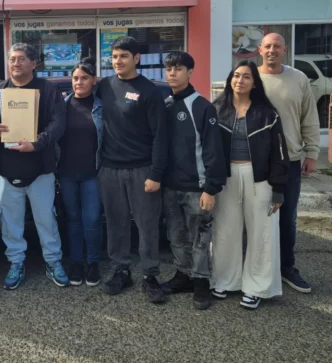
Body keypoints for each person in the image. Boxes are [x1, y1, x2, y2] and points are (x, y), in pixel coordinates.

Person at [0, 43, 68, 290]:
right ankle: (16, 263)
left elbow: (59, 123)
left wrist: (37, 143)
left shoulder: (47, 90)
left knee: (46, 220)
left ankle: (53, 261)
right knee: (10, 222)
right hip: (7, 170)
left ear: (33, 63)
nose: (15, 64)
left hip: (40, 168)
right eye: (12, 59)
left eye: (20, 59)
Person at [211, 61, 290, 310]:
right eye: (236, 75)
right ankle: (224, 280)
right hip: (227, 178)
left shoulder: (268, 113)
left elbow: (280, 153)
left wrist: (278, 188)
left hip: (260, 180)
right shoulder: (217, 109)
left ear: (254, 82)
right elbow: (209, 149)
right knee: (224, 231)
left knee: (262, 234)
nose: (240, 81)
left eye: (246, 77)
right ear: (230, 79)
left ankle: (256, 287)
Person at [96, 36, 169, 304]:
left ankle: (150, 275)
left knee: (147, 224)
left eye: (124, 56)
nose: (118, 61)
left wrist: (156, 173)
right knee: (115, 223)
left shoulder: (149, 91)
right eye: (114, 57)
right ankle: (121, 269)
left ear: (136, 58)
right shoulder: (104, 86)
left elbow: (161, 136)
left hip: (142, 169)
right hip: (109, 169)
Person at [159, 51, 227, 310]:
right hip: (170, 187)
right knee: (176, 236)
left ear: (190, 72)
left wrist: (211, 188)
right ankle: (183, 275)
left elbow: (213, 151)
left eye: (177, 69)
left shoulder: (202, 106)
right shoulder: (165, 104)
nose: (172, 74)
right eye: (168, 69)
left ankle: (201, 282)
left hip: (197, 188)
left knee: (199, 239)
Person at [258, 33, 320, 294]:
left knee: (286, 218)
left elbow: (309, 116)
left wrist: (312, 152)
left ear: (285, 49)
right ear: (259, 50)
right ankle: (257, 269)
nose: (272, 50)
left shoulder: (299, 79)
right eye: (268, 46)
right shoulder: (249, 77)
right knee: (255, 218)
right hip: (256, 161)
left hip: (291, 160)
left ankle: (286, 268)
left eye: (277, 46)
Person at [57, 57, 103, 287]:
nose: (79, 82)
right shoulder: (62, 106)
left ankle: (93, 262)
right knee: (73, 219)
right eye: (76, 78)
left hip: (92, 174)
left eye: (85, 78)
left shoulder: (101, 106)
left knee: (92, 219)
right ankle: (76, 262)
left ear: (93, 80)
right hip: (66, 174)